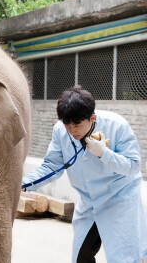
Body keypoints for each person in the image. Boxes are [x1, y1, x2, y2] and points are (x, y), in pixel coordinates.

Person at [22, 85, 147, 263]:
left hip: (119, 200)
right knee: (81, 256)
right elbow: (51, 166)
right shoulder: (60, 130)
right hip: (89, 201)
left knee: (124, 258)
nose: (72, 131)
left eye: (77, 124)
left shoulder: (116, 125)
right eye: (67, 125)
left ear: (92, 118)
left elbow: (133, 166)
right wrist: (23, 183)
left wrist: (105, 154)